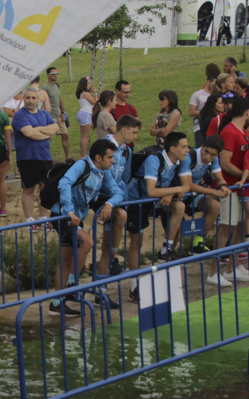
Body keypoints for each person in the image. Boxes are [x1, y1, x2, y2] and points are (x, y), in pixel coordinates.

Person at [49, 138, 126, 314]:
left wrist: (109, 205)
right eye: (110, 157)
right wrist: (69, 211)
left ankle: (55, 304)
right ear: (98, 158)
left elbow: (117, 193)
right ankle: (71, 285)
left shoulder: (103, 172)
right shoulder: (81, 165)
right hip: (63, 215)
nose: (112, 161)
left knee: (66, 260)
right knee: (87, 242)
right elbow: (64, 183)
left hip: (76, 218)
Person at [125, 132, 191, 297]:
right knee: (136, 242)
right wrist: (175, 190)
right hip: (136, 201)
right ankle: (134, 286)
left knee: (179, 206)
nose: (188, 150)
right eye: (184, 147)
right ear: (172, 148)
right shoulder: (154, 160)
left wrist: (170, 193)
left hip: (155, 201)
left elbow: (185, 189)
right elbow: (151, 190)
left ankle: (166, 250)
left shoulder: (180, 161)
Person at [179, 135, 232, 284]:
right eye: (206, 152)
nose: (208, 157)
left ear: (217, 154)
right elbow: (189, 185)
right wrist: (215, 192)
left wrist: (223, 185)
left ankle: (198, 241)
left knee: (215, 206)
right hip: (178, 194)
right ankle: (169, 253)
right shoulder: (189, 157)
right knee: (175, 231)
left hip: (193, 195)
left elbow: (219, 177)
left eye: (212, 154)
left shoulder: (213, 159)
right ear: (202, 146)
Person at [216, 98, 249, 280]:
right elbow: (225, 163)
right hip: (231, 188)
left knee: (238, 228)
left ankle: (232, 268)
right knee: (226, 229)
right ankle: (213, 272)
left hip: (242, 188)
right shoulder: (230, 132)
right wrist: (247, 177)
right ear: (247, 112)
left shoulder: (245, 133)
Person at [96, 115, 138, 279]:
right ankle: (111, 262)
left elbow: (125, 178)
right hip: (103, 198)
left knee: (108, 244)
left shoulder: (127, 151)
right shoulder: (103, 146)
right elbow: (103, 176)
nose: (135, 137)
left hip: (118, 199)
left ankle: (102, 287)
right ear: (124, 129)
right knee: (106, 243)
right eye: (133, 133)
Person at [11, 87, 58, 225]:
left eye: (33, 98)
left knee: (45, 188)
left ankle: (43, 218)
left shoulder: (44, 114)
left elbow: (56, 129)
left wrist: (38, 129)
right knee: (29, 189)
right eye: (28, 98)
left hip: (45, 156)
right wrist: (46, 133)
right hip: (27, 157)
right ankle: (29, 220)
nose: (31, 101)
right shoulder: (20, 115)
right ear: (24, 99)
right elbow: (29, 134)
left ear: (38, 99)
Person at [188, 63, 221, 147]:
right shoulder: (197, 94)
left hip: (216, 126)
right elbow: (191, 112)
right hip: (200, 127)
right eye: (214, 83)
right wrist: (207, 113)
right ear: (208, 81)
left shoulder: (219, 95)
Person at [42, 67, 70, 160]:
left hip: (58, 115)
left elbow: (60, 99)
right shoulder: (45, 87)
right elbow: (43, 102)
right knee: (48, 138)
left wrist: (63, 112)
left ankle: (68, 157)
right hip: (50, 116)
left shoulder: (56, 86)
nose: (55, 75)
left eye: (57, 73)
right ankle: (47, 158)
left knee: (65, 135)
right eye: (53, 73)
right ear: (48, 75)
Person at [74, 77, 97, 157]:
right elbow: (94, 102)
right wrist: (96, 93)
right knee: (85, 136)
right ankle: (83, 154)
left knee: (84, 135)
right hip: (86, 114)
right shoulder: (86, 94)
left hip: (82, 113)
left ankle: (84, 153)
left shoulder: (82, 93)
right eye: (88, 83)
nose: (90, 85)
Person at [113, 80, 138, 148]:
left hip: (129, 146)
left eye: (129, 92)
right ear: (117, 91)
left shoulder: (131, 108)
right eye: (125, 92)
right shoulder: (111, 108)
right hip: (116, 146)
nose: (128, 95)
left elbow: (137, 125)